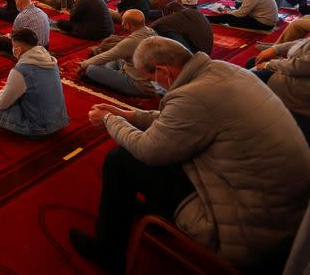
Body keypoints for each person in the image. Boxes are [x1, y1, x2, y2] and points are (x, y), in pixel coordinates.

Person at [70, 37, 310, 273]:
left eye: (150, 78)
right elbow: (177, 122)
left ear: (164, 71)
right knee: (170, 150)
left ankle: (108, 253)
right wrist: (127, 115)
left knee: (121, 161)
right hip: (285, 215)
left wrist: (110, 120)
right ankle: (149, 208)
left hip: (249, 230)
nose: (154, 85)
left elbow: (148, 150)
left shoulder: (192, 96)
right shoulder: (221, 70)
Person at [0, 28, 69, 136]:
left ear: (17, 50)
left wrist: (1, 92)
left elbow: (2, 104)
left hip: (39, 129)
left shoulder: (22, 70)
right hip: (59, 122)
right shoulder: (50, 60)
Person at [78, 10, 159, 97]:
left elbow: (106, 56)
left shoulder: (131, 42)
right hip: (146, 77)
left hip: (139, 85)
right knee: (118, 56)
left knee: (91, 69)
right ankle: (109, 77)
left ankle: (107, 78)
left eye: (123, 21)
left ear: (127, 25)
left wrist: (83, 64)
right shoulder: (151, 32)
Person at [248, 38, 310, 140]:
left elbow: (299, 66)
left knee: (253, 78)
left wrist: (269, 64)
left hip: (303, 83)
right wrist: (275, 49)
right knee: (253, 62)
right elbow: (303, 42)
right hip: (300, 71)